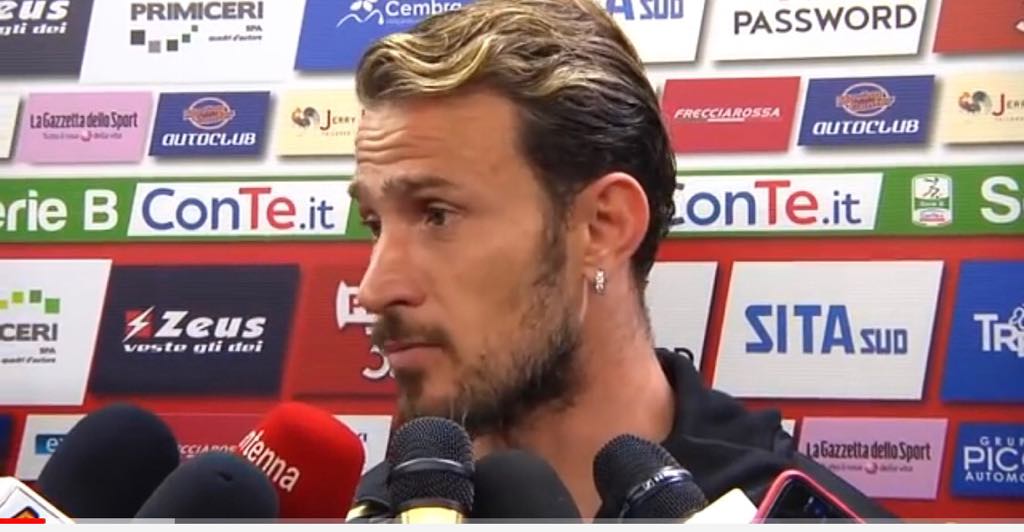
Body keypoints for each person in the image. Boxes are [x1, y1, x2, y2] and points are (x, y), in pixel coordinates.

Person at [348, 0, 893, 520]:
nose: (374, 289)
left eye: (437, 215)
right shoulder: (361, 513)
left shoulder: (779, 510)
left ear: (603, 227)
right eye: (375, 223)